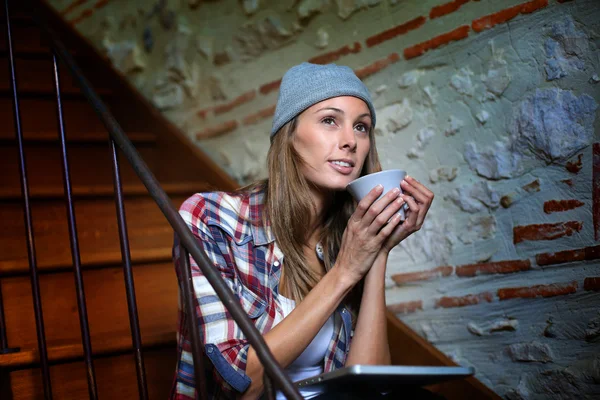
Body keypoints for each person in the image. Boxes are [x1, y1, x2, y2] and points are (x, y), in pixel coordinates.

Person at [171, 62, 435, 400]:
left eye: (361, 127)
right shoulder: (213, 219)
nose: (350, 141)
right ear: (289, 135)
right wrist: (345, 272)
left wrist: (378, 250)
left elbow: (368, 388)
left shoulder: (347, 237)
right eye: (329, 120)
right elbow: (239, 385)